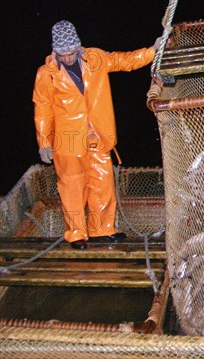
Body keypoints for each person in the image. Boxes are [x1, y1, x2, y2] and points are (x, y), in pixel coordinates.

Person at [33, 20, 162, 250]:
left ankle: (102, 230)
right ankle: (76, 233)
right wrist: (44, 142)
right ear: (55, 52)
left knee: (102, 182)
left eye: (72, 52)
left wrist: (152, 51)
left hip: (97, 134)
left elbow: (125, 61)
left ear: (79, 47)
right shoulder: (46, 74)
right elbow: (42, 109)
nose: (69, 58)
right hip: (67, 137)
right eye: (64, 54)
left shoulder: (96, 58)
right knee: (72, 187)